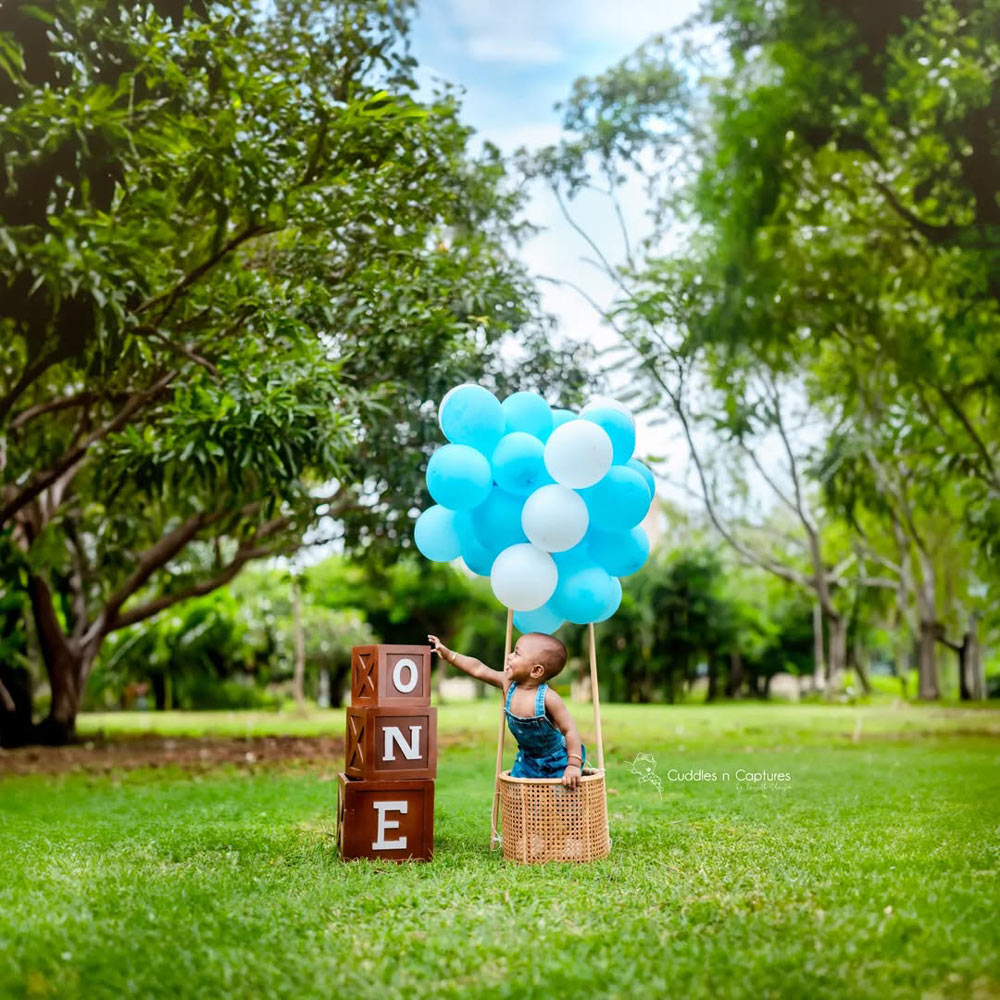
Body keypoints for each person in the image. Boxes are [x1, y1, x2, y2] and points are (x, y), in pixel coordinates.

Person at [427, 631, 586, 788]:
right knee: (520, 797)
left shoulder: (549, 698)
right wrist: (449, 655)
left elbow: (570, 730)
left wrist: (573, 764)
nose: (509, 656)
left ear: (536, 671)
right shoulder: (508, 683)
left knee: (560, 802)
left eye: (517, 653)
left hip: (558, 761)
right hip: (527, 760)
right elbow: (478, 669)